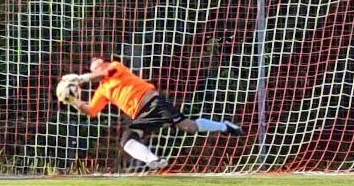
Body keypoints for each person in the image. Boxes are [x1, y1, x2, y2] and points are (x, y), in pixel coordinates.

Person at [63, 56, 243, 171]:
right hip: (141, 115)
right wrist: (73, 101)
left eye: (101, 66)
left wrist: (81, 78)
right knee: (128, 140)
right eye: (96, 68)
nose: (100, 69)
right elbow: (92, 110)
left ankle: (224, 126)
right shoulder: (102, 91)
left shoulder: (115, 67)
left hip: (154, 103)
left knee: (187, 126)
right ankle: (154, 160)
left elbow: (102, 74)